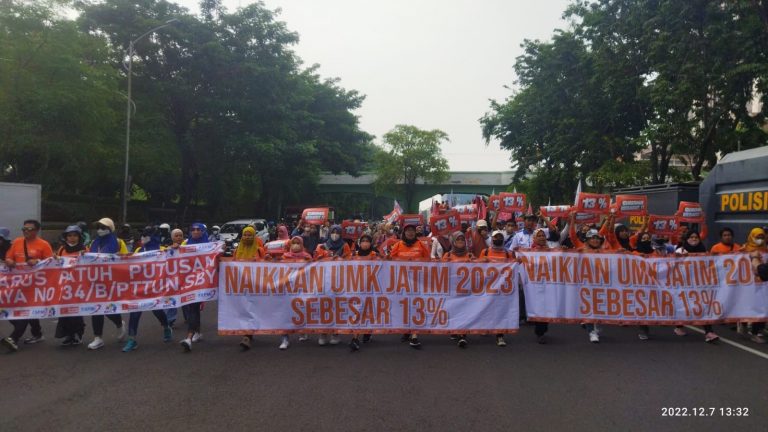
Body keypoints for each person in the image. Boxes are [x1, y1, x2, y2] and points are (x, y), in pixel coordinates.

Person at [1, 220, 53, 352]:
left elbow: (51, 263)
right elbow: (8, 257)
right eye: (24, 229)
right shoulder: (17, 242)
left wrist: (38, 261)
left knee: (25, 310)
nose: (26, 231)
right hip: (18, 283)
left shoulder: (44, 244)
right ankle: (37, 334)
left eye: (29, 229)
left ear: (36, 231)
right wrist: (9, 261)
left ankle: (14, 338)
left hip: (36, 284)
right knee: (22, 309)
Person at [122, 226, 173, 352]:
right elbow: (132, 263)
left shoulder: (162, 250)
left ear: (153, 237)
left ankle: (166, 327)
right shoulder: (139, 249)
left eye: (145, 235)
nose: (142, 238)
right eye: (142, 235)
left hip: (155, 287)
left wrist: (173, 249)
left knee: (157, 311)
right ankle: (132, 339)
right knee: (135, 313)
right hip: (139, 287)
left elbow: (172, 258)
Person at [87, 217, 127, 350]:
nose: (100, 230)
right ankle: (98, 338)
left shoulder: (119, 242)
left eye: (103, 227)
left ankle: (119, 324)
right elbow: (89, 258)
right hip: (95, 280)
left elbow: (127, 261)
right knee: (96, 308)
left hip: (112, 281)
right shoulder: (94, 242)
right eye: (98, 227)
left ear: (110, 229)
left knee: (108, 308)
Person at [672, 231, 719, 343]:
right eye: (691, 237)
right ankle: (679, 326)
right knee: (684, 306)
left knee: (703, 306)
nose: (694, 239)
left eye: (696, 237)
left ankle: (709, 332)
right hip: (684, 284)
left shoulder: (704, 250)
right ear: (687, 239)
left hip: (700, 284)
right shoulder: (680, 251)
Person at [389, 223, 431, 348]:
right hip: (401, 283)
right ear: (404, 233)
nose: (410, 233)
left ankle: (414, 335)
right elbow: (390, 261)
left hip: (417, 283)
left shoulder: (421, 245)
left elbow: (428, 262)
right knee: (404, 307)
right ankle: (406, 331)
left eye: (412, 230)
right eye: (408, 231)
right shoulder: (397, 245)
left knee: (415, 307)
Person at [277, 236, 314, 350]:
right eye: (294, 243)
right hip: (288, 288)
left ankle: (302, 331)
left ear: (302, 245)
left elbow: (313, 270)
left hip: (302, 288)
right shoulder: (285, 256)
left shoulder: (307, 257)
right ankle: (285, 338)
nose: (296, 245)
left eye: (298, 243)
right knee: (285, 313)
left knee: (301, 310)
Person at [478, 230, 512, 347]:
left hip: (502, 288)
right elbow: (478, 268)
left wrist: (518, 262)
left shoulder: (508, 253)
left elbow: (513, 266)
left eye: (500, 237)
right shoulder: (485, 251)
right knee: (487, 308)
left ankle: (500, 335)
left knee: (500, 311)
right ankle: (486, 326)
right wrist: (482, 261)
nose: (498, 239)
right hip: (488, 286)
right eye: (496, 237)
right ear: (492, 239)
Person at [54, 225, 87, 346]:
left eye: (75, 235)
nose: (72, 238)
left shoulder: (84, 250)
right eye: (69, 236)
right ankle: (68, 335)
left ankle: (78, 334)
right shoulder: (62, 250)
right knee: (65, 311)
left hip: (79, 285)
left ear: (79, 237)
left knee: (76, 311)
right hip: (65, 284)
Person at [235, 226, 266, 351]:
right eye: (245, 235)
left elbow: (265, 264)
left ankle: (248, 334)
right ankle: (247, 334)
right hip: (241, 284)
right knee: (244, 308)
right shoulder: (237, 250)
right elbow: (231, 263)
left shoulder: (259, 250)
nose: (247, 237)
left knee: (252, 308)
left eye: (250, 235)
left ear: (254, 236)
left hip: (255, 285)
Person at [180, 222, 209, 352]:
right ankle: (196, 332)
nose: (196, 231)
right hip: (189, 281)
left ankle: (189, 337)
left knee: (193, 307)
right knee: (193, 308)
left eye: (199, 229)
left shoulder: (209, 246)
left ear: (203, 232)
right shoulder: (185, 245)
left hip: (202, 281)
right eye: (193, 229)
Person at [442, 231, 473, 348]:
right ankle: (455, 330)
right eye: (458, 240)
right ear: (453, 242)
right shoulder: (448, 256)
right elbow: (441, 270)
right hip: (452, 289)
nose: (460, 242)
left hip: (466, 289)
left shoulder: (470, 255)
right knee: (454, 310)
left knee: (464, 311)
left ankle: (462, 335)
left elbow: (478, 269)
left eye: (462, 240)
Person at [348, 234, 379, 351]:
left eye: (367, 241)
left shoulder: (375, 255)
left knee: (370, 311)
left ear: (371, 243)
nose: (365, 243)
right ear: (359, 243)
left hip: (372, 289)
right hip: (357, 288)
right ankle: (355, 338)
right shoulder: (354, 255)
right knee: (357, 311)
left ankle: (367, 332)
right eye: (363, 241)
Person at [165, 228, 186, 327]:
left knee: (187, 300)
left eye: (180, 235)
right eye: (176, 236)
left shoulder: (188, 247)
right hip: (173, 279)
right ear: (172, 237)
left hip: (186, 277)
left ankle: (189, 318)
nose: (178, 237)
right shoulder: (167, 249)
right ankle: (170, 321)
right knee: (173, 299)